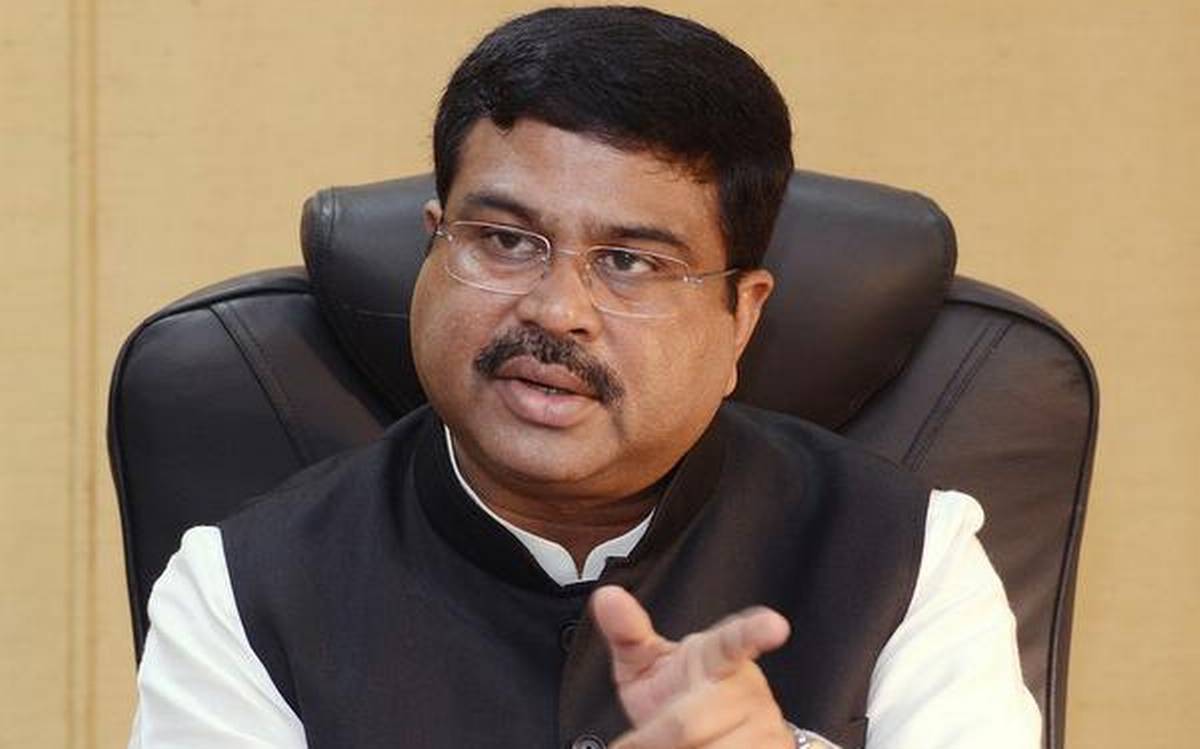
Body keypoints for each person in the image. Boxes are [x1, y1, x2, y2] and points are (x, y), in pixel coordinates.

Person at [128, 6, 1040, 748]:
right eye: (504, 240)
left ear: (743, 315)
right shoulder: (240, 588)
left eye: (631, 262)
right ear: (432, 248)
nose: (555, 308)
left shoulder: (913, 556)